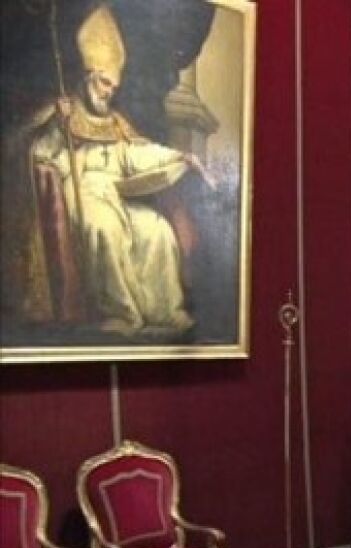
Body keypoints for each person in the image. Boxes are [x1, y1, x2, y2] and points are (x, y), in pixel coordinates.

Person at [23, 5, 213, 335]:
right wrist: (57, 126)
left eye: (113, 86)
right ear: (88, 77)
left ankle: (165, 312)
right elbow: (39, 154)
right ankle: (122, 315)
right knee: (103, 228)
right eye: (104, 83)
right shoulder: (63, 115)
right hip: (83, 193)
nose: (109, 91)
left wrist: (181, 157)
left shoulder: (115, 122)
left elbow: (138, 154)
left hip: (117, 194)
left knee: (156, 230)